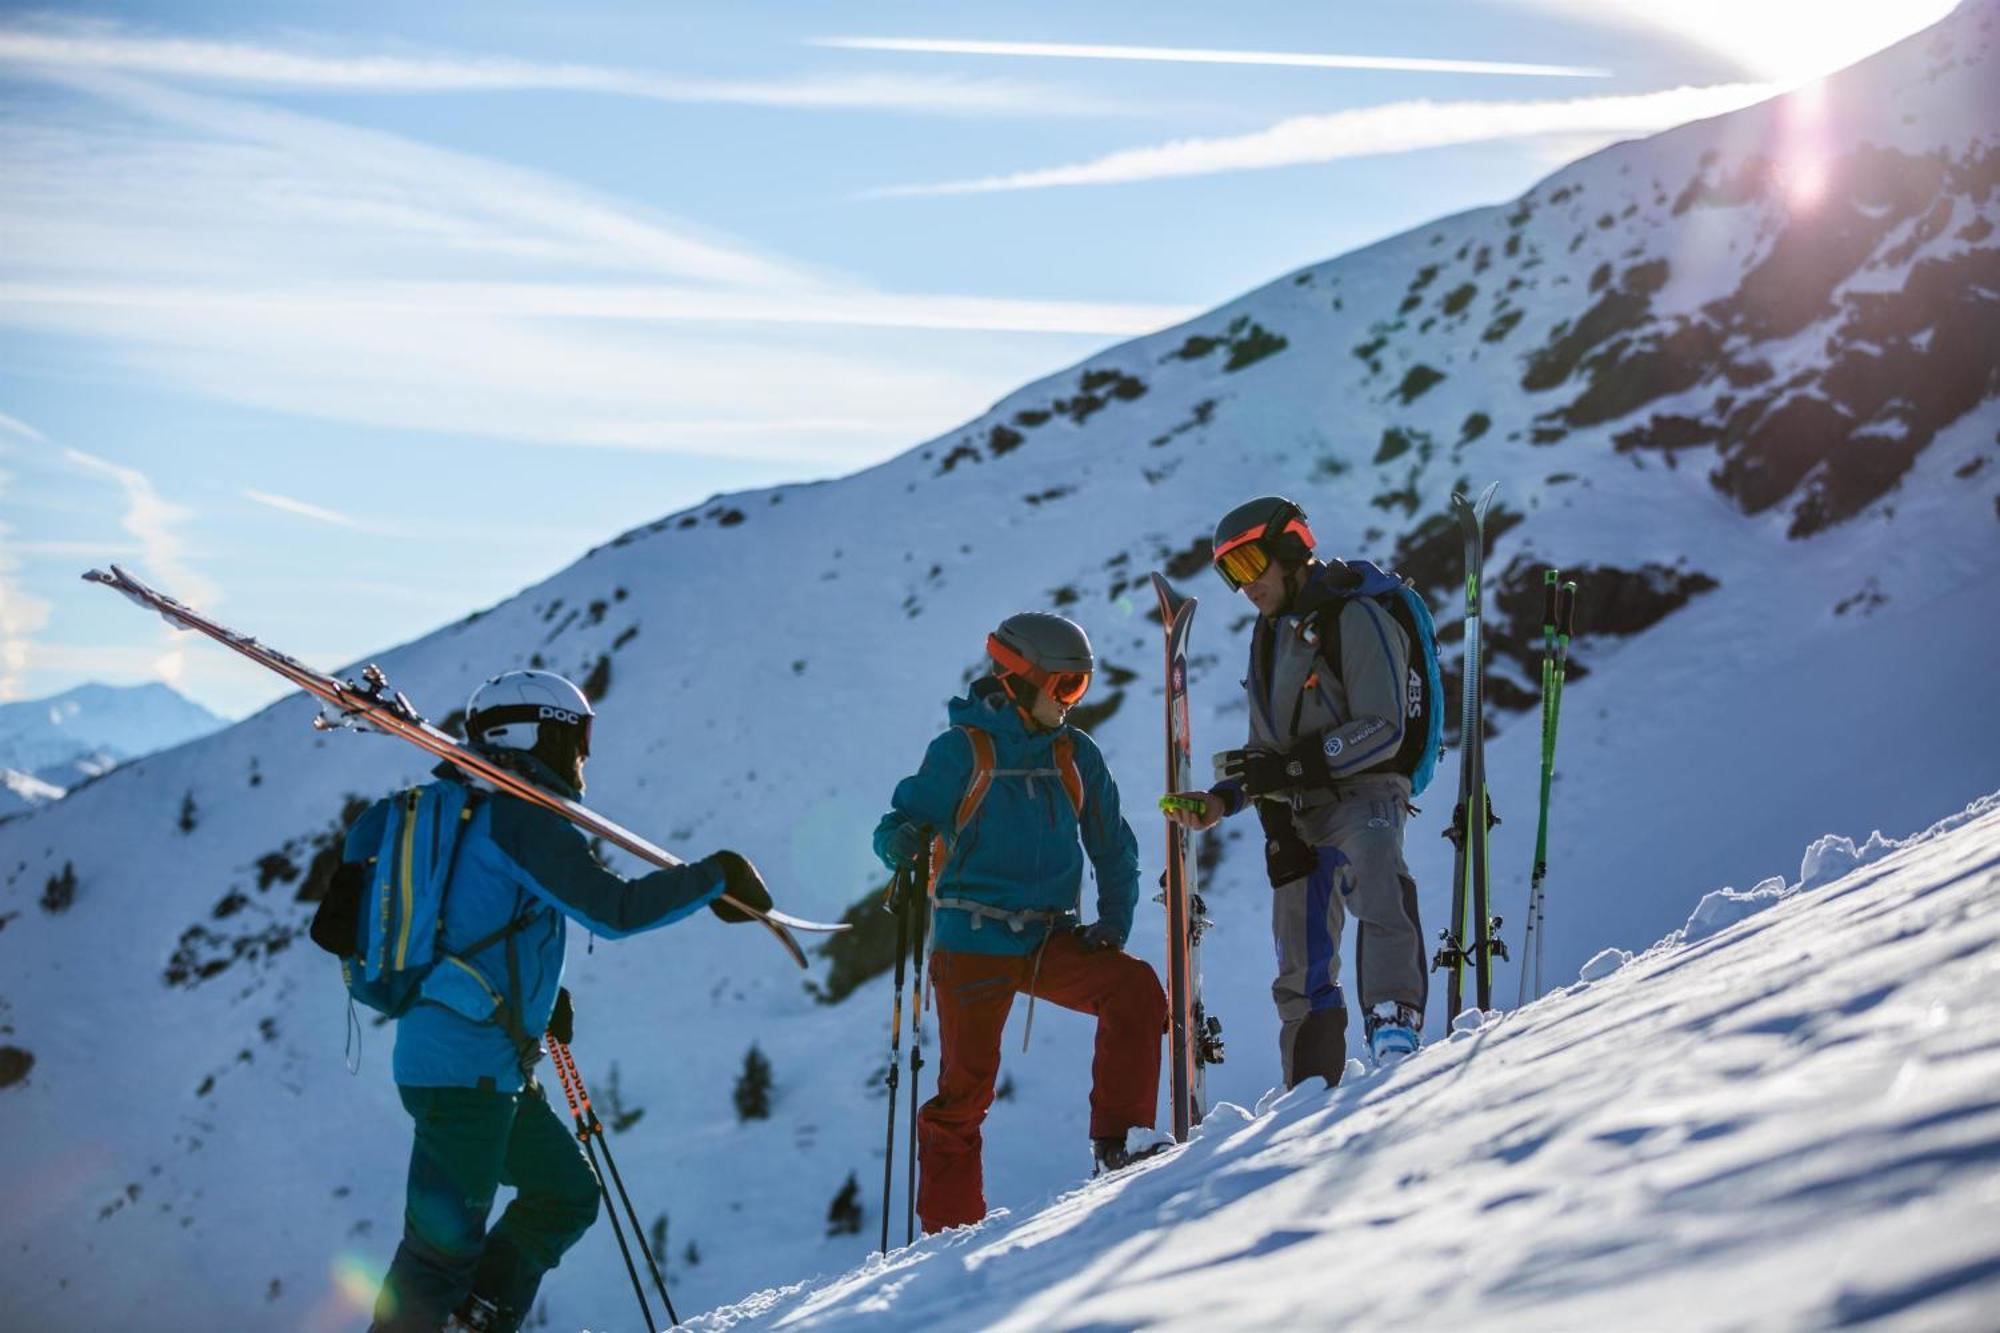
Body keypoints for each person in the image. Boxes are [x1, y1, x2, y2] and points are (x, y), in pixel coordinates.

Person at [344, 669, 773, 1333]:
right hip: (468, 1075)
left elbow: (476, 918)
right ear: (535, 733)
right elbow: (614, 908)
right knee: (439, 1253)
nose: (584, 754)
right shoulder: (517, 817)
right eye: (575, 736)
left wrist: (540, 996)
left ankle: (473, 1319)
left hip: (472, 1060)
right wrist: (715, 876)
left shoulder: (469, 806)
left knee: (563, 1192)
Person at [873, 612, 1167, 1233]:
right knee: (966, 1093)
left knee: (1134, 989)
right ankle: (949, 1237)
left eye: (1079, 689)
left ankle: (1118, 1145)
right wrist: (900, 841)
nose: (1071, 702)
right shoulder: (960, 751)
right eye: (1064, 687)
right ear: (1018, 680)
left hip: (1048, 935)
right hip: (971, 939)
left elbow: (1114, 844)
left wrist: (1114, 920)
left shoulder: (1074, 753)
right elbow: (894, 826)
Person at [1166, 496, 1428, 1087]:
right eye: (1230, 574)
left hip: (1365, 793)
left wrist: (1291, 771)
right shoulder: (1269, 638)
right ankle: (1310, 1084)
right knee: (1298, 950)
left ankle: (1393, 1032)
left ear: (1289, 550)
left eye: (1250, 564)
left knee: (1380, 888)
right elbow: (1266, 748)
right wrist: (1224, 799)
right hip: (1297, 813)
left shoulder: (1353, 617)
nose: (1245, 586)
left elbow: (1383, 726)